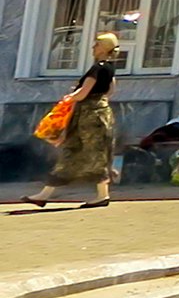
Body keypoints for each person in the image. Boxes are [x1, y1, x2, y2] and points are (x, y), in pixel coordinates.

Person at [26, 32, 121, 208]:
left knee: (78, 151)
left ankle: (100, 196)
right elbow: (110, 91)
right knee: (91, 153)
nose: (93, 47)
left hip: (87, 116)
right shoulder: (110, 68)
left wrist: (70, 97)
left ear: (105, 48)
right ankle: (45, 195)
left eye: (97, 44)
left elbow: (83, 93)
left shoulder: (97, 68)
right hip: (100, 114)